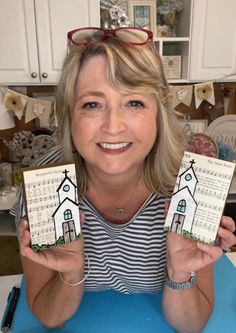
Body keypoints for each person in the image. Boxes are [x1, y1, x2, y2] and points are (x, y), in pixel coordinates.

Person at [13, 27, 235, 332]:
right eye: (92, 104)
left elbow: (191, 326)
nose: (113, 127)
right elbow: (50, 317)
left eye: (134, 103)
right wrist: (70, 272)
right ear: (69, 115)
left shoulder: (190, 185)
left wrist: (180, 272)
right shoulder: (47, 186)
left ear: (158, 113)